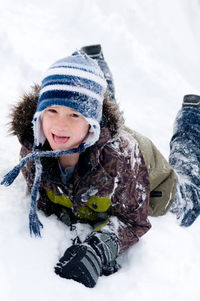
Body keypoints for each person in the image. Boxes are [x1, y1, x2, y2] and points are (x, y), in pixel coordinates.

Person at [1, 45, 199, 288]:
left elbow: (134, 221)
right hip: (97, 142)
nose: (59, 126)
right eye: (52, 111)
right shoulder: (35, 148)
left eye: (74, 114)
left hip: (149, 176)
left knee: (188, 199)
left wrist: (99, 247)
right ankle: (92, 66)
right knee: (82, 127)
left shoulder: (120, 158)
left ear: (93, 122)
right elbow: (47, 200)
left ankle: (193, 119)